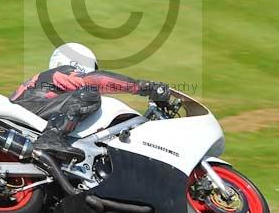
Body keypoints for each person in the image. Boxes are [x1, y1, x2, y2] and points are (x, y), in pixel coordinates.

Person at [10, 42, 170, 158]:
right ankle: (51, 137)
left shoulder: (44, 80)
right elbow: (96, 80)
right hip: (32, 112)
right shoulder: (64, 71)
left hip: (28, 113)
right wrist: (144, 87)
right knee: (89, 91)